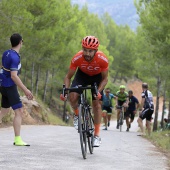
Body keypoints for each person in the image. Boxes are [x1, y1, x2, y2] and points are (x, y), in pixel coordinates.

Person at [60, 36, 109, 147]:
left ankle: (96, 135)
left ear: (96, 51)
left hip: (97, 78)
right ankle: (77, 115)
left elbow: (105, 79)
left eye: (90, 51)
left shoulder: (102, 59)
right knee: (72, 97)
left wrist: (99, 91)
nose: (87, 53)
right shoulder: (77, 58)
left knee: (96, 104)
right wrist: (65, 91)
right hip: (82, 76)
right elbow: (68, 77)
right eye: (85, 50)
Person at [0, 33, 33, 146]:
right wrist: (25, 90)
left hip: (3, 85)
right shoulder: (15, 57)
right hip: (9, 86)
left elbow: (3, 68)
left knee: (4, 111)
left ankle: (18, 139)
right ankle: (18, 139)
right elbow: (14, 76)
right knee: (19, 112)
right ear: (20, 42)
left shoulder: (6, 53)